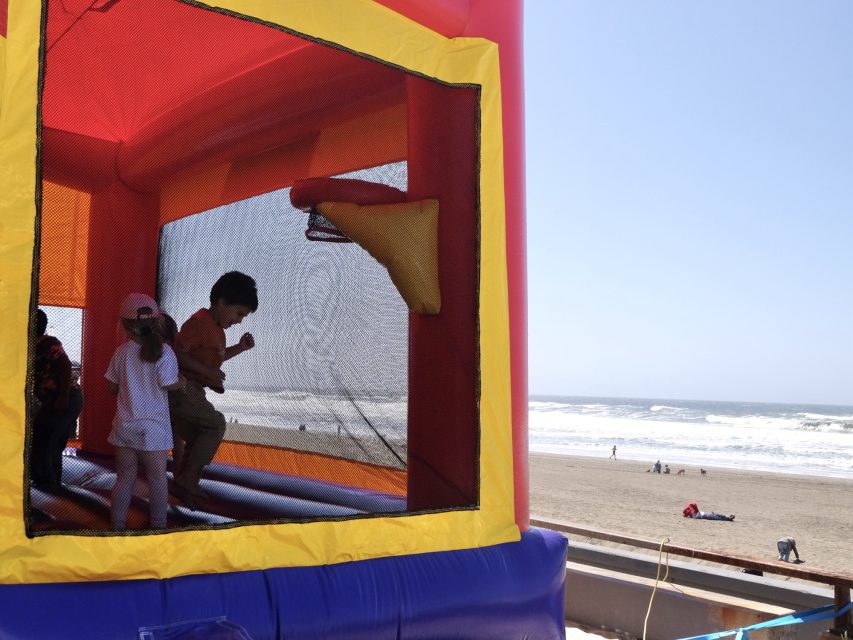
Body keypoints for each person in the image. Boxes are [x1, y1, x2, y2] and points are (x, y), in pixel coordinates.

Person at [168, 271, 258, 505]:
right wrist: (208, 373)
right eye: (239, 313)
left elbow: (215, 359)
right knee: (215, 424)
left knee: (200, 434)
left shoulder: (217, 331)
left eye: (244, 317)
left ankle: (185, 480)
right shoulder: (199, 323)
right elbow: (177, 353)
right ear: (221, 302)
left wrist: (239, 347)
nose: (239, 321)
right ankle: (187, 478)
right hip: (182, 389)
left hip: (194, 391)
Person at [105, 294, 185, 530]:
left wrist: (128, 383)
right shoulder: (165, 353)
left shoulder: (121, 353)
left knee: (124, 478)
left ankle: (116, 525)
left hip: (125, 429)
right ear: (156, 322)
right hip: (153, 431)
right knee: (158, 480)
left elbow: (111, 388)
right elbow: (169, 383)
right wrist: (182, 381)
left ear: (124, 325)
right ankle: (159, 526)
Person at [30, 308, 84, 489]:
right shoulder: (34, 344)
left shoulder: (46, 343)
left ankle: (48, 484)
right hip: (58, 399)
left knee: (43, 438)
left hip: (65, 398)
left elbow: (64, 364)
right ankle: (51, 482)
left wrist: (63, 396)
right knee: (51, 440)